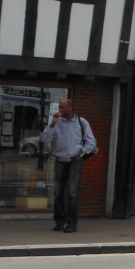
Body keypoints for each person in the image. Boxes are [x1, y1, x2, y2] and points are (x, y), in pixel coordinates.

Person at [40, 98, 96, 233]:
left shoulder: (81, 122)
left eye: (63, 107)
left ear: (70, 108)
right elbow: (44, 139)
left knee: (73, 193)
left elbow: (91, 142)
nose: (60, 109)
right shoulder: (56, 122)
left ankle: (71, 224)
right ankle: (59, 222)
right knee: (58, 193)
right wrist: (52, 125)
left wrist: (81, 153)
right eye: (59, 107)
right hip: (60, 159)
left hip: (74, 161)